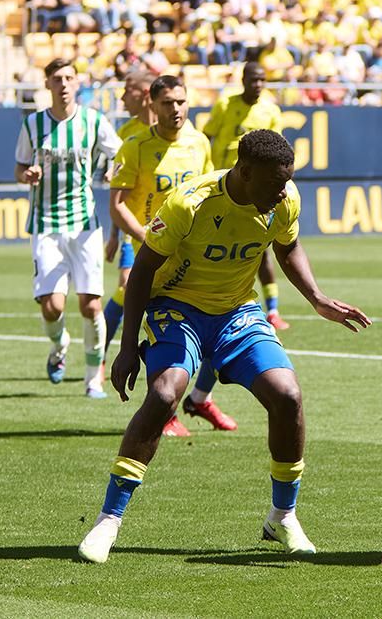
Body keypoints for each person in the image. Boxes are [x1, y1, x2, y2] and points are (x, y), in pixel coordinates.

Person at [78, 130, 371, 564]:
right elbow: (141, 272)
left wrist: (316, 298)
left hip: (237, 312)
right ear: (245, 172)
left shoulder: (283, 198)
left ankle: (282, 516)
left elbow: (288, 248)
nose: (282, 191)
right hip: (176, 309)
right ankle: (108, 520)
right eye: (274, 183)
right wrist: (125, 349)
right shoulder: (188, 204)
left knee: (287, 396)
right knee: (162, 396)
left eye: (286, 182)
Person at [109, 74, 238, 438]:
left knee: (217, 324)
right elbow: (116, 206)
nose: (176, 109)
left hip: (195, 254)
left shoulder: (199, 143)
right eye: (167, 103)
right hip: (154, 259)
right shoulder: (133, 147)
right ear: (153, 105)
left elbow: (211, 194)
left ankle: (197, 397)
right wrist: (146, 238)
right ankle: (163, 410)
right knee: (166, 330)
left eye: (181, 101)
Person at [13, 58, 121, 399]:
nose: (63, 84)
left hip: (84, 224)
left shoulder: (93, 121)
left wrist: (113, 171)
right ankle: (59, 346)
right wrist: (26, 176)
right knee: (53, 306)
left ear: (77, 84)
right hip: (45, 225)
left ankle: (93, 380)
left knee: (91, 305)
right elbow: (18, 167)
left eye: (69, 78)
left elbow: (120, 155)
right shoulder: (33, 125)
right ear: (47, 85)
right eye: (57, 78)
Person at [202, 63, 291, 331]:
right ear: (243, 80)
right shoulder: (224, 105)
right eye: (253, 79)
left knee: (261, 249)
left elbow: (278, 153)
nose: (258, 84)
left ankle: (272, 310)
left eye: (263, 80)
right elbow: (207, 135)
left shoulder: (271, 110)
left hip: (255, 191)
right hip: (221, 188)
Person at [102, 70, 157, 356]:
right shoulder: (124, 135)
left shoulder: (182, 134)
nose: (123, 97)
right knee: (126, 286)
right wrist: (115, 233)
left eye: (128, 90)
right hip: (133, 229)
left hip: (172, 228)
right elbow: (118, 192)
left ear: (145, 94)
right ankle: (99, 358)